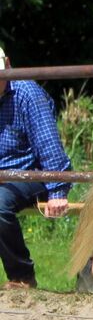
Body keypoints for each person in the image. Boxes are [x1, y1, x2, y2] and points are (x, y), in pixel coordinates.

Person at [0, 46, 72, 289]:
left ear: (8, 65)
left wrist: (57, 191)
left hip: (29, 174)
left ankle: (22, 276)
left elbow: (48, 145)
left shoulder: (27, 94)